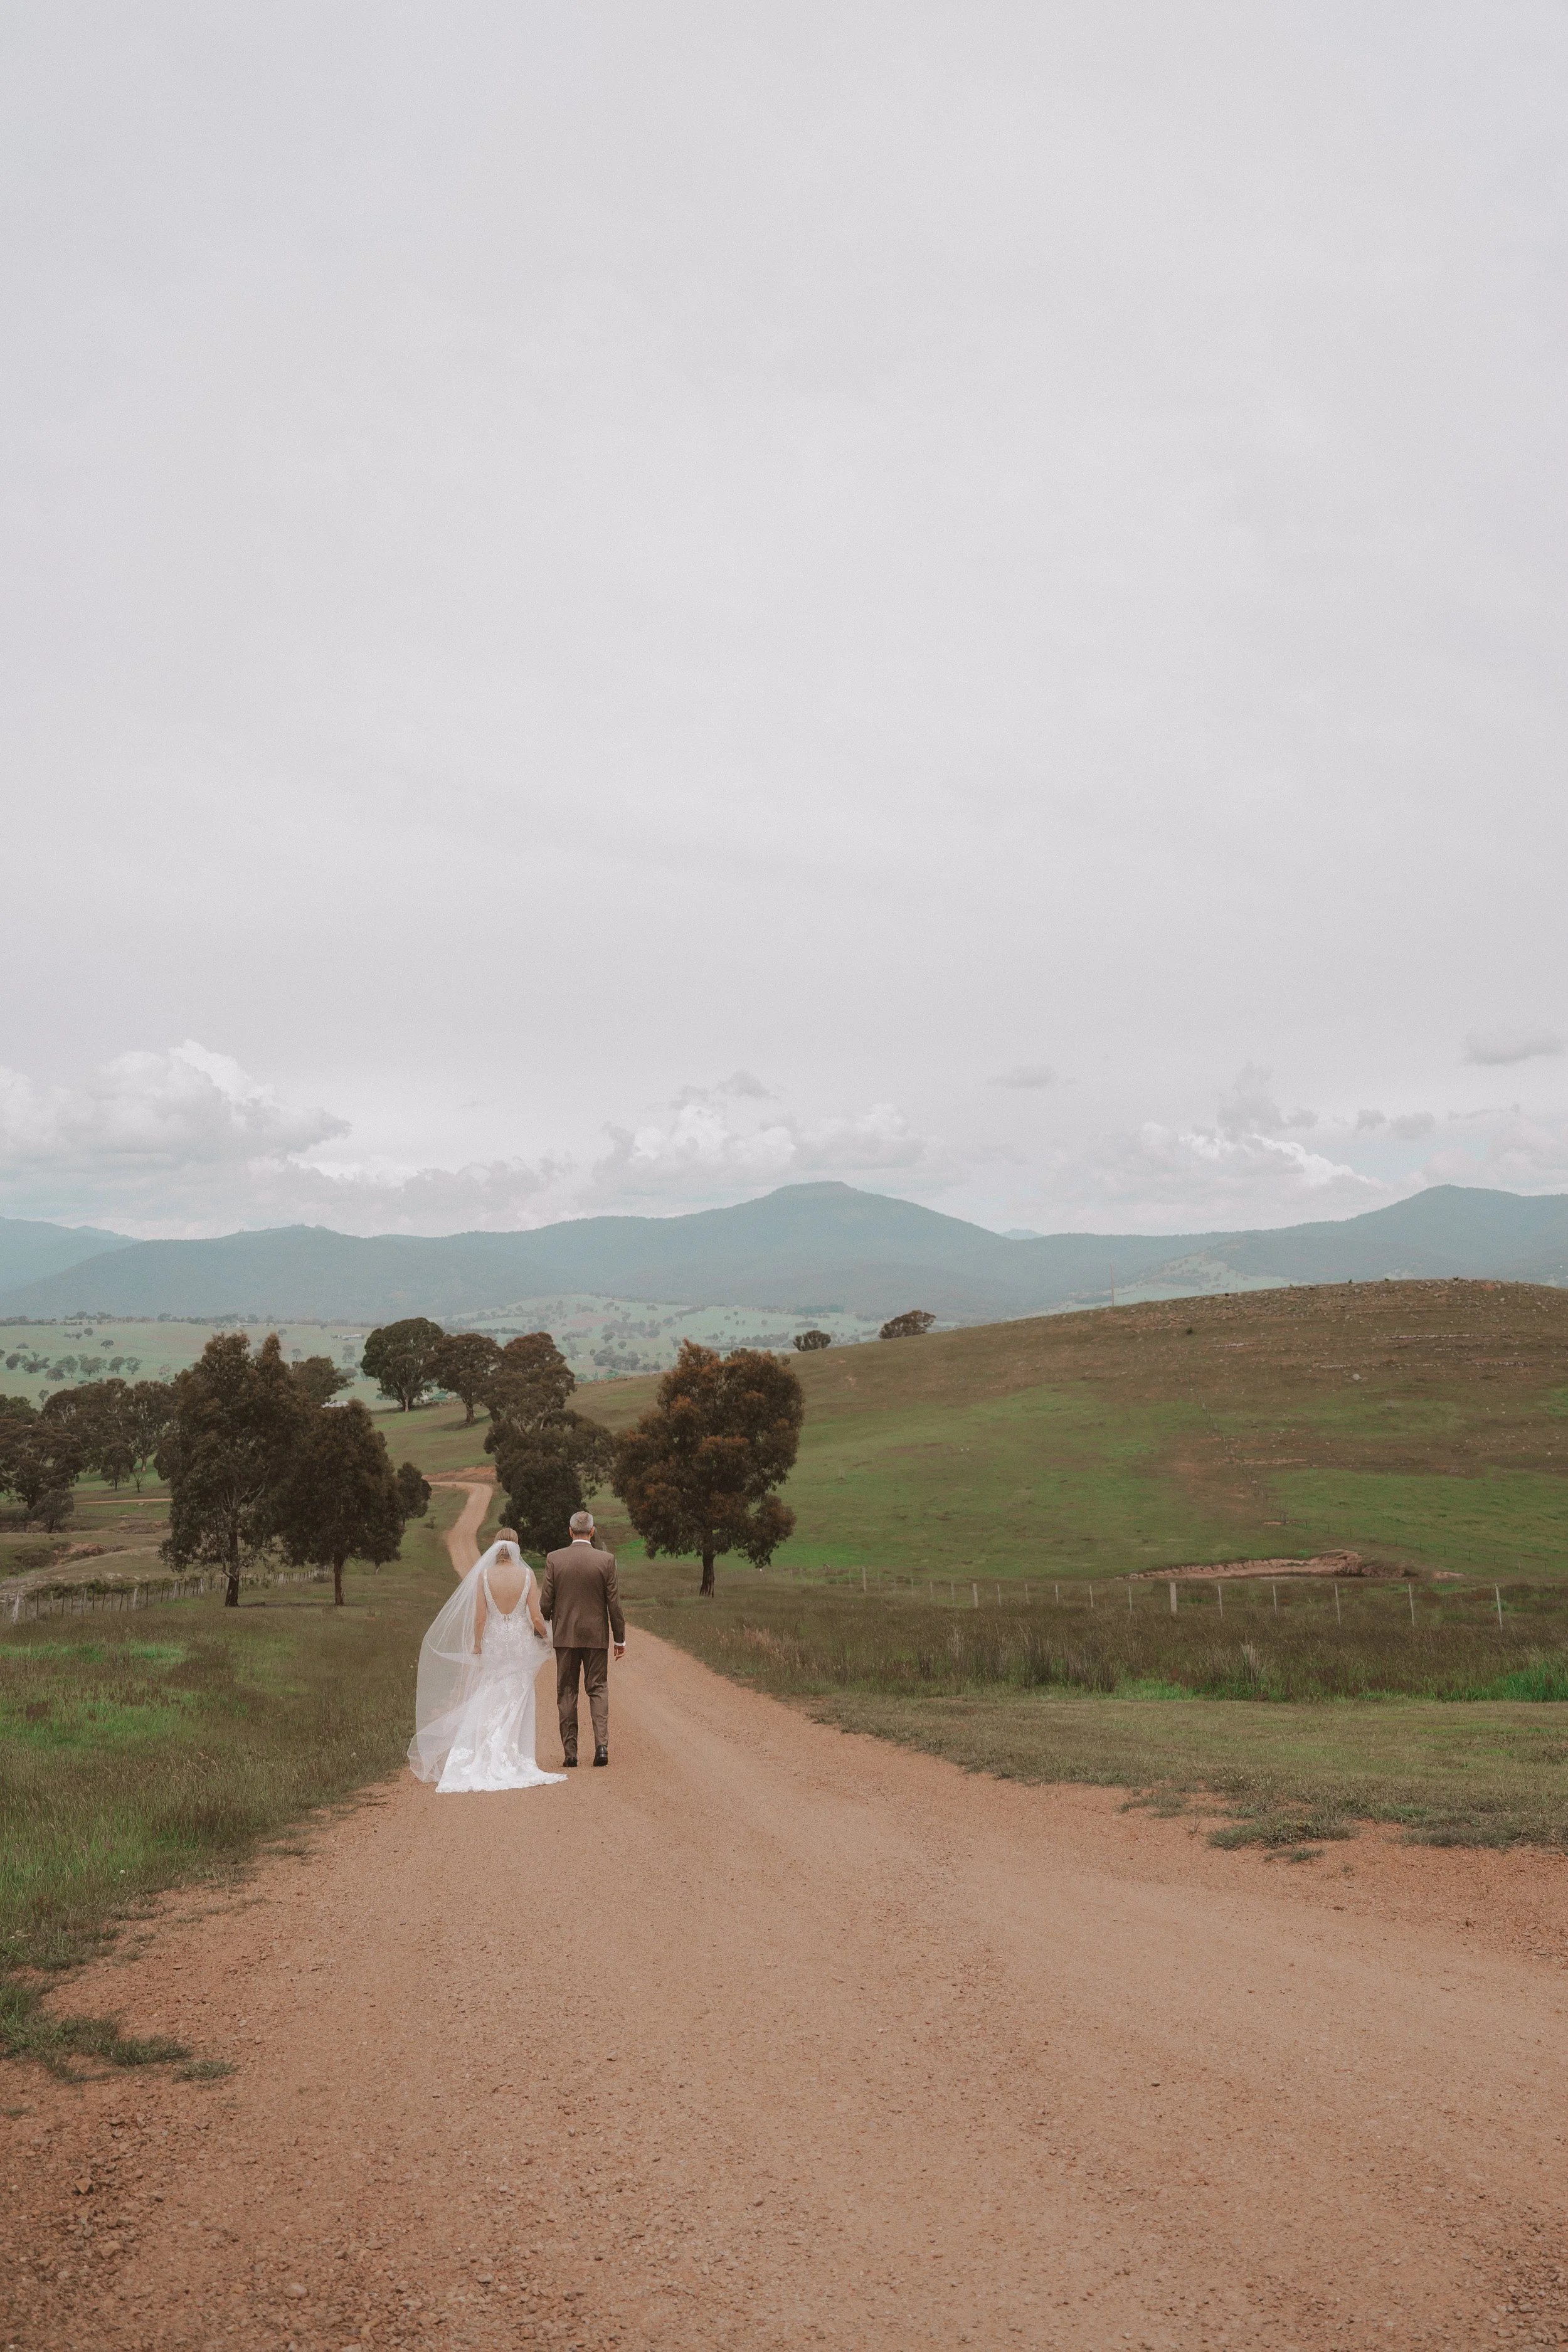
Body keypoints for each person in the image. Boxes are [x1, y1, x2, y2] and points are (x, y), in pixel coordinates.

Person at [407, 1529, 566, 1793]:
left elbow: (480, 1618)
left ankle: (485, 1749)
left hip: (495, 1640)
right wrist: (545, 1638)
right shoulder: (526, 1575)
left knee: (490, 1692)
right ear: (516, 1548)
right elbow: (537, 1617)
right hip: (518, 1641)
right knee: (518, 1695)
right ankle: (513, 1754)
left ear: (495, 1548)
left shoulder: (484, 1576)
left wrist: (478, 1644)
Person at [539, 1509, 625, 1767]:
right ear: (592, 1531)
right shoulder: (606, 1560)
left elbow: (545, 1603)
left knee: (567, 1691)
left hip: (565, 1636)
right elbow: (614, 1604)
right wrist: (619, 1639)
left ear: (570, 1531)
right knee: (598, 1688)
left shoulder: (555, 1559)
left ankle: (571, 1754)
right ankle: (601, 1747)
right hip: (596, 1636)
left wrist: (540, 1628)